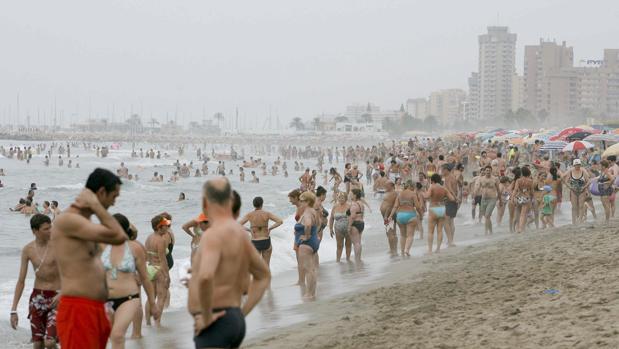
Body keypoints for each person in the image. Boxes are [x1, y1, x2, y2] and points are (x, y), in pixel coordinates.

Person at [188, 177, 270, 348]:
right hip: (233, 320)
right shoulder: (239, 233)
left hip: (215, 322)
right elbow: (263, 276)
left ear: (205, 202)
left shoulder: (213, 234)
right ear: (230, 201)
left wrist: (207, 316)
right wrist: (241, 313)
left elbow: (205, 276)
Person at [51, 168, 127, 349]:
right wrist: (96, 205)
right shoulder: (68, 220)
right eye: (113, 197)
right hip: (78, 309)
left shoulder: (84, 225)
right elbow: (119, 235)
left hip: (94, 308)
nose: (114, 203)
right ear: (101, 192)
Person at [104, 214, 160, 349]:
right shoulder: (102, 247)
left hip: (128, 298)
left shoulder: (135, 248)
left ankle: (137, 333)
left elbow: (145, 277)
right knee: (108, 336)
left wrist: (152, 303)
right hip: (106, 299)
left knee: (117, 335)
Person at [10, 214, 60, 349]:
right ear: (35, 231)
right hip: (37, 299)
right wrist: (13, 310)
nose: (50, 231)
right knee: (37, 344)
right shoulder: (28, 250)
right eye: (46, 229)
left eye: (51, 227)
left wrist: (63, 293)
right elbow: (21, 281)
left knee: (50, 342)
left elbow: (73, 273)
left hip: (57, 297)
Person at [239, 197, 283, 269]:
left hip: (255, 242)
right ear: (262, 204)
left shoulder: (249, 215)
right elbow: (280, 221)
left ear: (253, 205)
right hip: (266, 241)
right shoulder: (267, 214)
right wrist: (270, 228)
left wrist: (249, 230)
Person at [144, 214, 171, 326]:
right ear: (159, 227)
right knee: (161, 297)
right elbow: (163, 259)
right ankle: (158, 323)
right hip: (159, 269)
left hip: (149, 268)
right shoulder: (160, 240)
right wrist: (167, 276)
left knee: (151, 297)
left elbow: (146, 255)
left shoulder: (149, 237)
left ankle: (148, 322)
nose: (167, 227)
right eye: (165, 226)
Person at [294, 191, 321, 298]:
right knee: (312, 269)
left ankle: (310, 294)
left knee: (308, 269)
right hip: (314, 241)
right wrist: (314, 235)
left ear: (308, 201)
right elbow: (318, 224)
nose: (300, 202)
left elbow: (308, 224)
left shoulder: (307, 212)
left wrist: (306, 235)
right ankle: (312, 293)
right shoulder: (314, 211)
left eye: (302, 200)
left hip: (307, 243)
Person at [388, 180, 421, 257]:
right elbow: (418, 206)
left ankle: (402, 252)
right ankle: (407, 250)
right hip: (410, 215)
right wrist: (420, 214)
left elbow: (395, 206)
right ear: (411, 186)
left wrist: (390, 216)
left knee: (403, 235)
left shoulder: (400, 194)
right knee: (410, 235)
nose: (414, 188)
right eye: (413, 187)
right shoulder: (413, 194)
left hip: (400, 215)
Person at [425, 174, 455, 254]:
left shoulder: (432, 187)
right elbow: (452, 198)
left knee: (430, 231)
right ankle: (438, 248)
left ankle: (430, 250)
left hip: (433, 208)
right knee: (439, 230)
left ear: (432, 180)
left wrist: (425, 193)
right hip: (441, 208)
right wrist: (443, 199)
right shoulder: (444, 188)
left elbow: (427, 196)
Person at [562, 159, 590, 224]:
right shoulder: (571, 172)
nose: (577, 166)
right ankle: (573, 221)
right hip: (573, 191)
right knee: (574, 207)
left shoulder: (583, 171)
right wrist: (570, 187)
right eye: (576, 165)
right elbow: (565, 181)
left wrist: (585, 187)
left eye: (579, 165)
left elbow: (588, 180)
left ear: (580, 165)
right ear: (574, 165)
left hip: (582, 191)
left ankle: (580, 220)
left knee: (581, 206)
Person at [475, 165, 501, 235]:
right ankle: (491, 231)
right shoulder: (481, 179)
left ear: (491, 171)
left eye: (489, 170)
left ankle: (486, 232)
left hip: (492, 199)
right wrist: (474, 196)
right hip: (483, 199)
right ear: (485, 171)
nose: (488, 172)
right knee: (486, 216)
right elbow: (477, 188)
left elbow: (498, 190)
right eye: (487, 170)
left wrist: (500, 200)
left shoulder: (495, 179)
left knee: (487, 216)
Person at [329, 192, 351, 262]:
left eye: (342, 197)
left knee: (348, 244)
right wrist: (330, 229)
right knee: (339, 245)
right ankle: (338, 260)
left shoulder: (349, 206)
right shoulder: (335, 206)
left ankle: (348, 259)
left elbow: (353, 217)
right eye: (339, 197)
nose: (340, 199)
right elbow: (331, 218)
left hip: (348, 228)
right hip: (338, 229)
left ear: (346, 198)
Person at [512, 166, 535, 233]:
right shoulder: (530, 181)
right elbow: (532, 191)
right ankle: (521, 228)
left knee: (518, 213)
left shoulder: (518, 180)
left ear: (522, 173)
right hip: (526, 198)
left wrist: (512, 198)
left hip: (519, 197)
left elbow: (515, 190)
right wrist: (533, 199)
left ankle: (517, 228)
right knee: (523, 214)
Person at [379, 181, 398, 256]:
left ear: (391, 186)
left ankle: (393, 250)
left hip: (389, 215)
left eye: (387, 185)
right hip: (387, 215)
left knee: (390, 232)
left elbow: (390, 205)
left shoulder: (393, 193)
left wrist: (386, 216)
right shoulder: (389, 192)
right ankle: (393, 249)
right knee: (390, 232)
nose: (385, 186)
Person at [347, 188, 365, 263]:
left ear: (355, 195)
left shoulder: (354, 204)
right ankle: (359, 258)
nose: (350, 195)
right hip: (361, 223)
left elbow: (353, 216)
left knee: (355, 243)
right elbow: (362, 214)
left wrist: (349, 226)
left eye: (351, 193)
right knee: (358, 242)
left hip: (355, 224)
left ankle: (357, 259)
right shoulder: (361, 203)